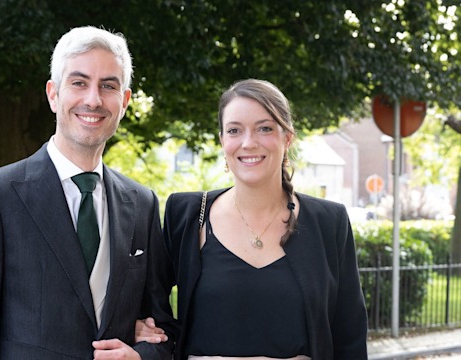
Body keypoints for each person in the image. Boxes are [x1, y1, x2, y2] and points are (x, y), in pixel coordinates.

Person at [0, 26, 177, 360]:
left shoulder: (141, 203)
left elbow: (163, 331)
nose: (93, 99)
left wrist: (141, 354)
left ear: (124, 101)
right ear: (54, 95)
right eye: (79, 83)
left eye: (108, 86)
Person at [137, 79, 368, 359]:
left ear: (287, 138)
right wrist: (142, 334)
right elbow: (153, 313)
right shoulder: (185, 214)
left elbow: (350, 339)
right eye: (235, 130)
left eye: (265, 128)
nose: (248, 142)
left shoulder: (329, 222)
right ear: (223, 141)